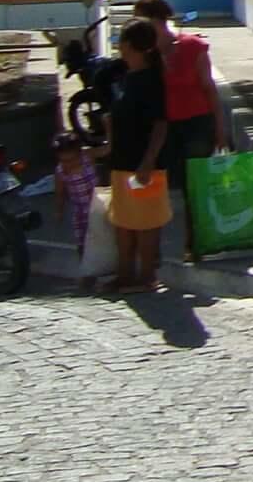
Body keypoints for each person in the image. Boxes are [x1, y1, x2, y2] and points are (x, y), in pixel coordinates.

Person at [133, 0, 224, 261]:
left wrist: (220, 128)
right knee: (157, 185)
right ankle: (151, 248)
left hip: (197, 124)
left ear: (157, 19)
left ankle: (194, 243)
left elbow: (209, 89)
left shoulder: (192, 47)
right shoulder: (148, 54)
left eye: (140, 18)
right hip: (164, 127)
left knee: (193, 186)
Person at [105, 20, 171, 292]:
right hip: (121, 161)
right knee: (123, 221)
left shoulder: (151, 80)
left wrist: (148, 160)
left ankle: (146, 277)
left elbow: (160, 124)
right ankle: (124, 276)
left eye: (121, 41)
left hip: (144, 165)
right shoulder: (125, 76)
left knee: (145, 223)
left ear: (131, 46)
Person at [53, 129, 101, 295]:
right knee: (82, 243)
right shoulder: (60, 172)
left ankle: (107, 268)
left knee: (102, 237)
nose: (69, 164)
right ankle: (87, 272)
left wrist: (108, 127)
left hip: (97, 205)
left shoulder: (88, 157)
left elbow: (108, 149)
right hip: (80, 210)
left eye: (72, 159)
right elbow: (60, 193)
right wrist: (59, 211)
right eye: (64, 161)